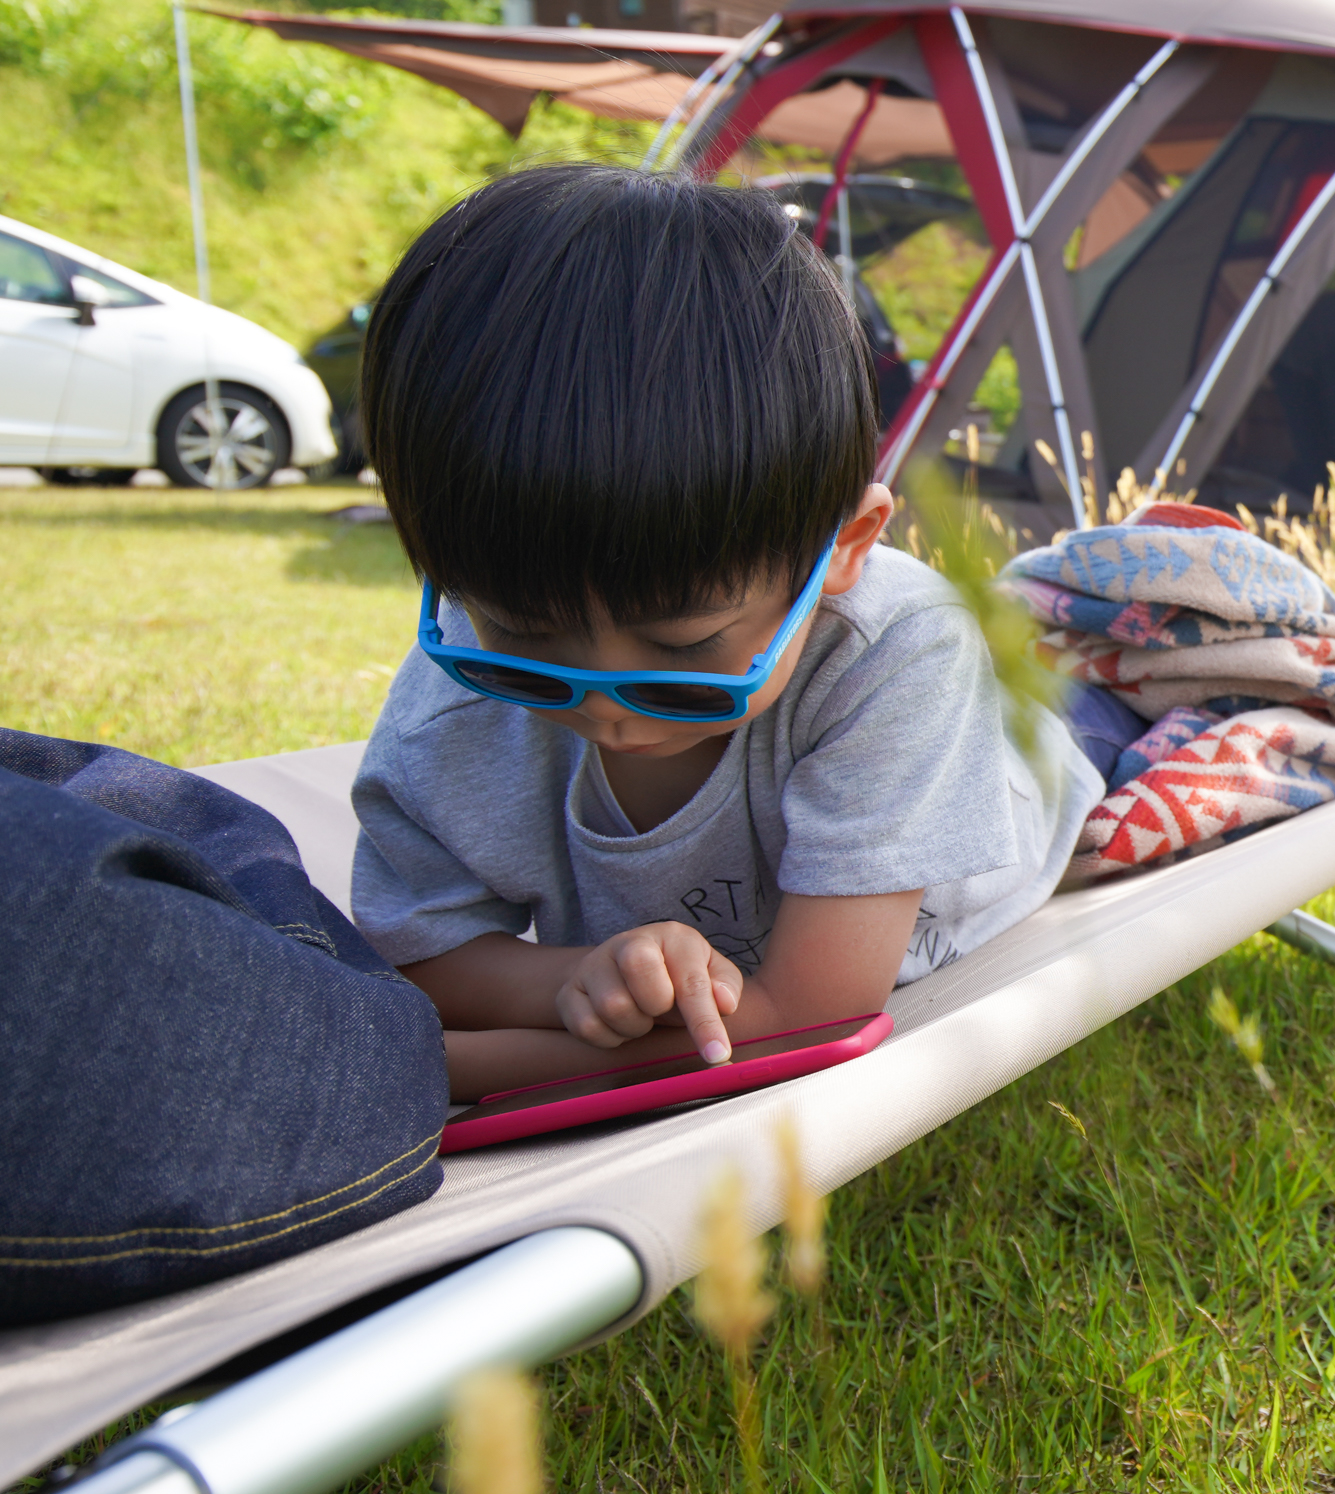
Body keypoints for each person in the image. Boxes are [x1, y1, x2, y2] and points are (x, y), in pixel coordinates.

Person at [347, 165, 1102, 1102]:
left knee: (1081, 700)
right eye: (525, 638)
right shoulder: (449, 696)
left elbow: (812, 1020)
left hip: (1019, 782)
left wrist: (437, 1069)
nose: (606, 705)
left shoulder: (897, 656)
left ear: (846, 549)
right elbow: (424, 960)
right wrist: (572, 978)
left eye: (681, 649)